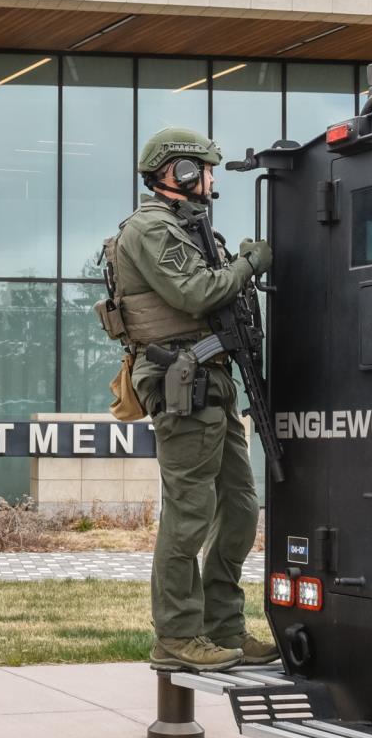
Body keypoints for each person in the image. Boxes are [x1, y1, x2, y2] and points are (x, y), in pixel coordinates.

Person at [102, 128, 275, 673]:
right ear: (177, 172)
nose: (211, 179)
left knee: (241, 507)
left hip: (209, 378)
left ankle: (223, 626)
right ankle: (176, 635)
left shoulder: (189, 227)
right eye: (205, 169)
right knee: (190, 512)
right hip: (183, 380)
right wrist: (251, 263)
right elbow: (197, 293)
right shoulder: (152, 229)